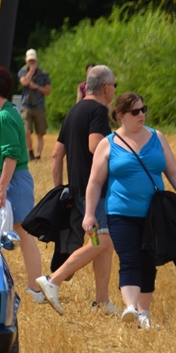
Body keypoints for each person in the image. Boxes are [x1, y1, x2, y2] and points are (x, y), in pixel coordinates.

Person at [81, 93, 176, 326]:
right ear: (121, 115)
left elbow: (173, 171)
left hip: (154, 214)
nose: (141, 115)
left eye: (143, 109)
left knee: (149, 259)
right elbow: (95, 182)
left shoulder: (157, 137)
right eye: (135, 112)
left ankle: (144, 314)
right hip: (120, 213)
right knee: (129, 258)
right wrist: (89, 214)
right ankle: (130, 307)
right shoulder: (108, 143)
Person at [40, 65, 119, 316]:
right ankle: (53, 280)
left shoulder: (74, 111)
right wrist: (123, 152)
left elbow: (56, 154)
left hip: (78, 190)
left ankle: (102, 301)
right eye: (114, 86)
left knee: (103, 242)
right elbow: (96, 146)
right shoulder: (98, 111)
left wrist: (60, 189)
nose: (115, 90)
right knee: (103, 240)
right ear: (105, 88)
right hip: (96, 189)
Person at [0, 67, 43, 301]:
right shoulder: (5, 112)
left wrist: (2, 188)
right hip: (5, 179)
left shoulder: (4, 116)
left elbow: (11, 155)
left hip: (11, 180)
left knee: (21, 232)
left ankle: (35, 288)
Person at [18, 49, 52, 160]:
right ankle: (30, 151)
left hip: (39, 106)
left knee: (40, 133)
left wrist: (36, 87)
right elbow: (25, 82)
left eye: (33, 61)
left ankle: (38, 155)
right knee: (26, 131)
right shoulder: (22, 71)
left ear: (36, 60)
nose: (31, 63)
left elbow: (48, 90)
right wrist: (31, 71)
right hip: (26, 106)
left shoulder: (44, 74)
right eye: (30, 61)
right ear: (26, 60)